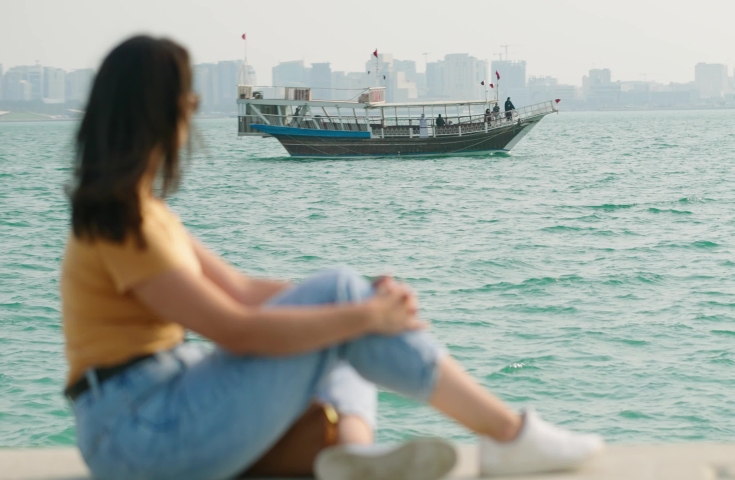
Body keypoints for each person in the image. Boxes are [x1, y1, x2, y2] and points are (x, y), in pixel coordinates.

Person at [61, 35, 604, 480]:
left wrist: (358, 303)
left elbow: (242, 290)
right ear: (158, 115)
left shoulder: (140, 213)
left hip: (150, 413)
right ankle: (508, 434)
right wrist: (364, 313)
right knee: (344, 306)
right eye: (188, 104)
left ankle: (354, 452)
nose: (191, 118)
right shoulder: (123, 222)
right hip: (137, 430)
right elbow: (236, 329)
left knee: (342, 309)